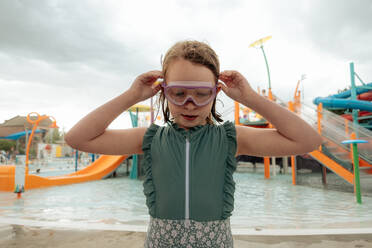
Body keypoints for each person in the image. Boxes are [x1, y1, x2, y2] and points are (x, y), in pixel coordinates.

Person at [65, 40, 322, 247]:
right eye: (179, 93)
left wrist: (250, 98)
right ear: (164, 91)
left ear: (216, 94)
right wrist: (132, 95)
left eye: (202, 94)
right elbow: (77, 138)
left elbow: (307, 140)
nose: (190, 103)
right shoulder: (150, 138)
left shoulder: (230, 139)